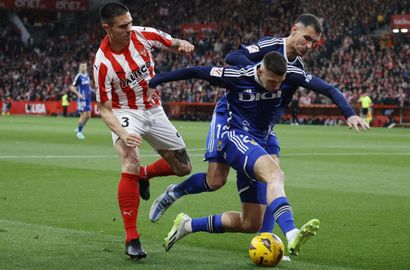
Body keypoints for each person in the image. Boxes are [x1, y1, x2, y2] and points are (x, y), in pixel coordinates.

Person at [149, 14, 367, 241]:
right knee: (216, 181)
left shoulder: (296, 69)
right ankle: (175, 192)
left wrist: (349, 114)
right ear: (294, 30)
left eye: (314, 43)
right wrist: (255, 74)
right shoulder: (268, 46)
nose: (309, 46)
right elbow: (232, 57)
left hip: (262, 128)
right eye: (307, 39)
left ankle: (268, 238)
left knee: (272, 176)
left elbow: (328, 89)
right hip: (231, 115)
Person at [92, 2, 195, 259]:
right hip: (125, 112)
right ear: (108, 28)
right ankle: (132, 239)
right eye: (123, 25)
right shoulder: (103, 63)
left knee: (183, 167)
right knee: (129, 158)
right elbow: (105, 109)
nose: (130, 28)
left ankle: (144, 175)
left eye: (130, 22)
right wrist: (123, 133)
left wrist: (182, 45)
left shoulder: (142, 34)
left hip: (154, 109)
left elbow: (171, 42)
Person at [69, 63, 92, 140]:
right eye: (82, 66)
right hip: (82, 98)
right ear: (80, 67)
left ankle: (79, 128)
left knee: (88, 116)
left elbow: (87, 86)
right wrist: (78, 94)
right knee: (83, 115)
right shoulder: (79, 76)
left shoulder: (87, 76)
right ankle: (79, 132)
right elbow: (72, 87)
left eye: (85, 66)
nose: (84, 67)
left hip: (88, 98)